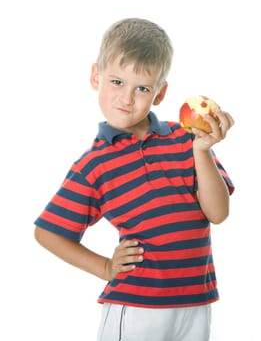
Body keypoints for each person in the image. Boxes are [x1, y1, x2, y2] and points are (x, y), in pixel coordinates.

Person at [34, 18, 235, 341]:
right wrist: (104, 268)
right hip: (137, 306)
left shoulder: (186, 139)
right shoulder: (94, 164)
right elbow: (48, 233)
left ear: (159, 93)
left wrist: (202, 151)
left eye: (141, 88)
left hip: (196, 301)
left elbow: (218, 213)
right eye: (116, 82)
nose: (126, 99)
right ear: (95, 76)